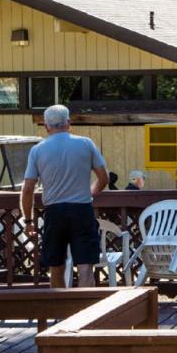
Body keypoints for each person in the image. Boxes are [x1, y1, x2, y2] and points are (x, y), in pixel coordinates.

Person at [20, 104, 109, 288]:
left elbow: (28, 189)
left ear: (46, 126)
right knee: (85, 266)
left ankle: (59, 312)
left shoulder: (38, 150)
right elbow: (104, 178)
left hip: (54, 212)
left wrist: (28, 221)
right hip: (82, 210)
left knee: (56, 266)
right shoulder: (85, 144)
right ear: (69, 123)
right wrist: (90, 193)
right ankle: (89, 312)